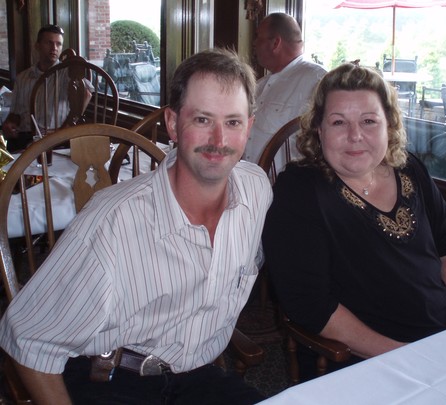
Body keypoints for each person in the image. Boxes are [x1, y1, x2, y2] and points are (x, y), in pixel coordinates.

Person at [0, 48, 273, 404]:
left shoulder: (256, 190)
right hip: (112, 378)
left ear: (249, 127)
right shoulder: (111, 222)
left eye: (233, 122)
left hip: (196, 374)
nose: (219, 141)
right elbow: (27, 337)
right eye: (202, 120)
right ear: (172, 123)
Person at [262, 63, 446, 381]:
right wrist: (408, 358)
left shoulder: (410, 169)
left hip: (440, 348)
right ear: (319, 130)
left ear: (390, 125)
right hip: (361, 363)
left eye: (369, 121)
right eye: (338, 122)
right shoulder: (299, 191)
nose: (355, 136)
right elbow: (313, 307)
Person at [243, 12, 326, 169]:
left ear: (275, 43)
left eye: (258, 38)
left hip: (290, 182)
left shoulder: (317, 81)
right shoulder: (260, 85)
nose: (254, 44)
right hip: (248, 180)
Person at [2, 24, 91, 152]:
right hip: (25, 137)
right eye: (49, 43)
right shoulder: (23, 78)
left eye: (58, 44)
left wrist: (66, 129)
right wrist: (9, 124)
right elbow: (15, 113)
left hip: (56, 138)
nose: (54, 48)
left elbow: (86, 94)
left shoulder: (67, 74)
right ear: (37, 46)